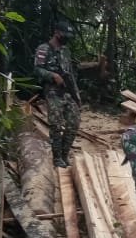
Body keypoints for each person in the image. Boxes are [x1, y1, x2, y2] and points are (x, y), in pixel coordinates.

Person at [34, 20, 103, 168]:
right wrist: (52, 75)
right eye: (65, 34)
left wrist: (76, 95)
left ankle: (64, 155)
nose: (67, 38)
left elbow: (71, 73)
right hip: (53, 92)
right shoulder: (44, 49)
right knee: (56, 126)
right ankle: (57, 158)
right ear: (57, 32)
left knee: (74, 123)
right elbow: (37, 69)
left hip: (67, 92)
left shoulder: (66, 51)